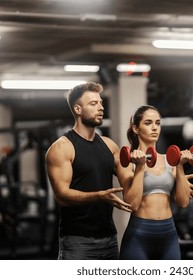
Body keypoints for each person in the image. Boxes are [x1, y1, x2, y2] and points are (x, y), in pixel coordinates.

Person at [45, 82, 132, 260]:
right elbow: (62, 196)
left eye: (101, 103)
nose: (100, 108)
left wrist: (170, 172)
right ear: (78, 109)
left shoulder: (110, 145)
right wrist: (99, 195)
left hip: (109, 238)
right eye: (93, 104)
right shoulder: (62, 148)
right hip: (77, 241)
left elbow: (131, 182)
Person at [117, 105, 193, 260]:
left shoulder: (170, 160)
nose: (154, 128)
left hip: (168, 234)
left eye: (158, 123)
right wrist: (140, 166)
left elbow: (183, 202)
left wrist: (180, 166)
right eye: (148, 123)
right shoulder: (128, 162)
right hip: (139, 235)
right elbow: (132, 204)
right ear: (136, 129)